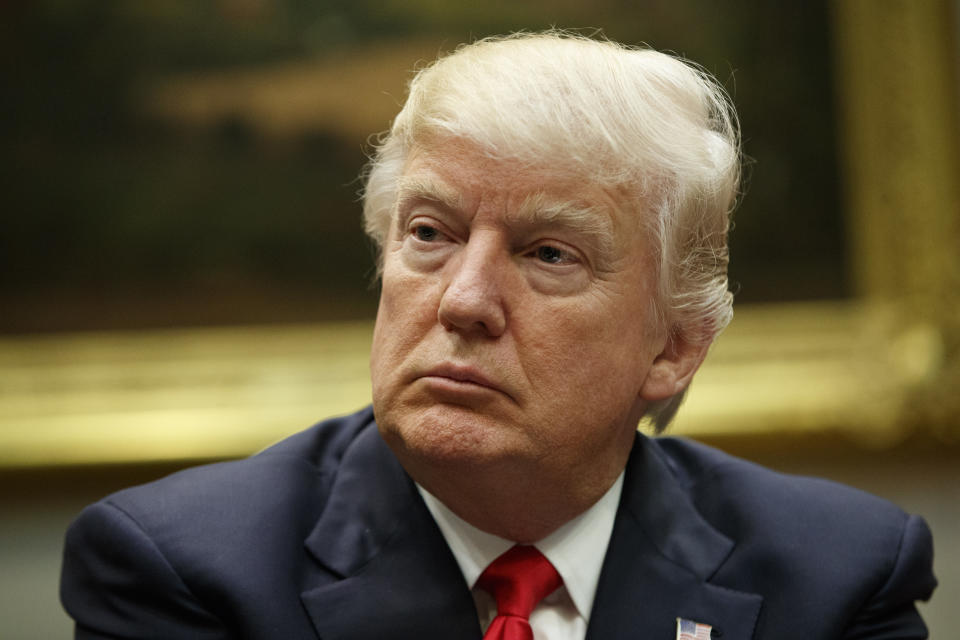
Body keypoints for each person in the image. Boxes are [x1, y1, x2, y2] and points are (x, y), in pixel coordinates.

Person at [61, 32, 936, 639]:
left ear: (673, 347)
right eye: (430, 235)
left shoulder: (837, 580)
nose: (464, 301)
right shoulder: (184, 575)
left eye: (548, 253)